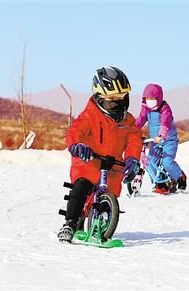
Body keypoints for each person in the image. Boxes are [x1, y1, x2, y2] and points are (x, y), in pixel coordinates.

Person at [57, 66, 142, 242]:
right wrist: (78, 145)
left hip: (112, 168)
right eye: (111, 101)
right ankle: (70, 223)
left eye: (120, 100)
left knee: (109, 197)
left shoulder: (128, 121)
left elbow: (134, 140)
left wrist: (133, 158)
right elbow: (75, 132)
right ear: (99, 99)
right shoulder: (90, 116)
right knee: (80, 189)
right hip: (89, 163)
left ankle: (103, 222)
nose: (116, 105)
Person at [135, 83, 187, 194]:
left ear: (158, 98)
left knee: (167, 162)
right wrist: (131, 131)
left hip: (168, 139)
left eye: (152, 98)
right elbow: (140, 121)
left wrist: (161, 135)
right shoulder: (146, 109)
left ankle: (179, 176)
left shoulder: (164, 108)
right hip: (155, 141)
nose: (149, 101)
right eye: (147, 98)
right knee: (149, 163)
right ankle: (161, 183)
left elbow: (165, 122)